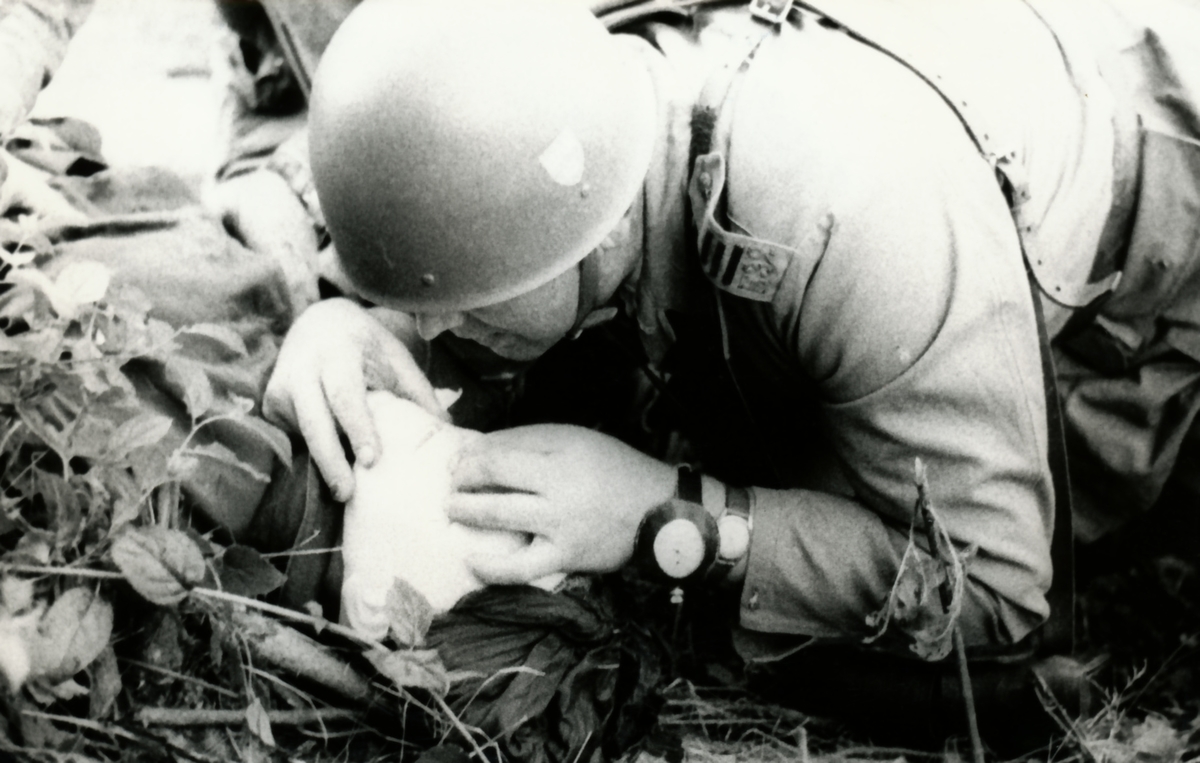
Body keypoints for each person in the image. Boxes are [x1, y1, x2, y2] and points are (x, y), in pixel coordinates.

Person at [257, 0, 1200, 749]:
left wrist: (661, 517)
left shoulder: (851, 217)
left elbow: (987, 588)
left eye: (460, 302)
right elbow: (417, 206)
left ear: (591, 234)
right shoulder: (554, 100)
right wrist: (336, 321)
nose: (427, 327)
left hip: (1154, 183)